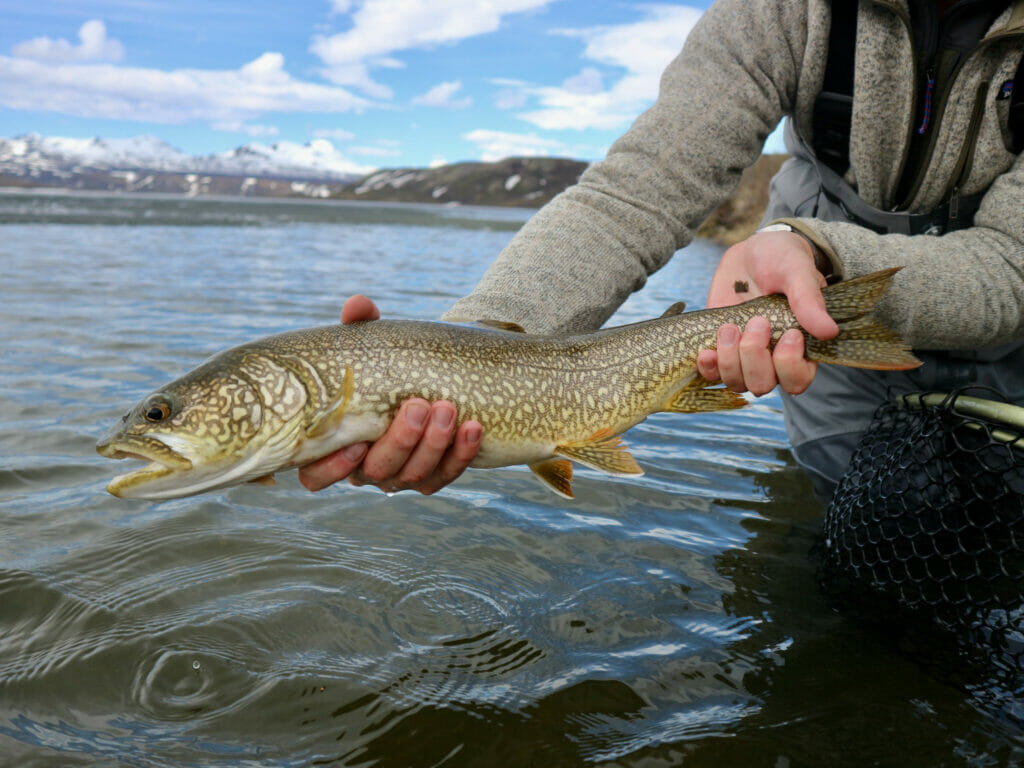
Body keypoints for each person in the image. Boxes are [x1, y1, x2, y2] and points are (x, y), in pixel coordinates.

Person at [300, 0, 1024, 501]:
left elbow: (1012, 264)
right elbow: (635, 196)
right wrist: (472, 348)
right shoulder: (782, 10)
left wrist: (823, 251)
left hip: (958, 298)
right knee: (855, 515)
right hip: (806, 324)